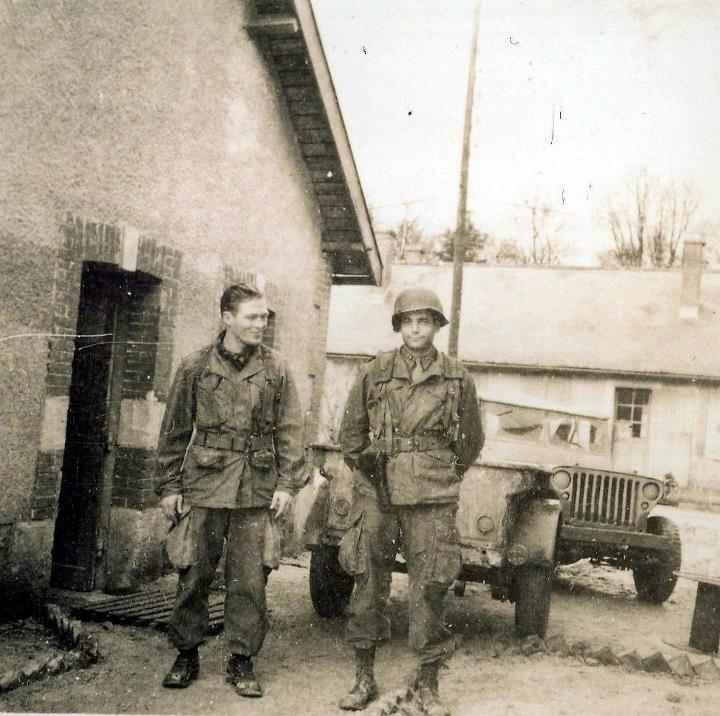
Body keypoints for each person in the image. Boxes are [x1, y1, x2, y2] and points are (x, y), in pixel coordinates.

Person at [154, 283, 304, 698]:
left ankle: (242, 659)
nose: (261, 324)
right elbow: (174, 432)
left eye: (264, 317)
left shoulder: (276, 369)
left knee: (250, 580)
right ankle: (186, 652)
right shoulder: (195, 366)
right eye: (252, 317)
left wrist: (288, 484)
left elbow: (292, 431)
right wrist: (169, 486)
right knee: (194, 573)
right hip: (203, 485)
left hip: (256, 488)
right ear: (227, 319)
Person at [337, 288, 483, 715]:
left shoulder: (457, 376)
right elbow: (350, 435)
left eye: (424, 321)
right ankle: (363, 677)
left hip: (432, 495)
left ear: (437, 325)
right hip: (377, 491)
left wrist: (440, 471)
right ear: (398, 326)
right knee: (367, 583)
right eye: (408, 321)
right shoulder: (375, 372)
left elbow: (471, 440)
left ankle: (428, 684)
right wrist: (371, 470)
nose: (416, 328)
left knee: (431, 588)